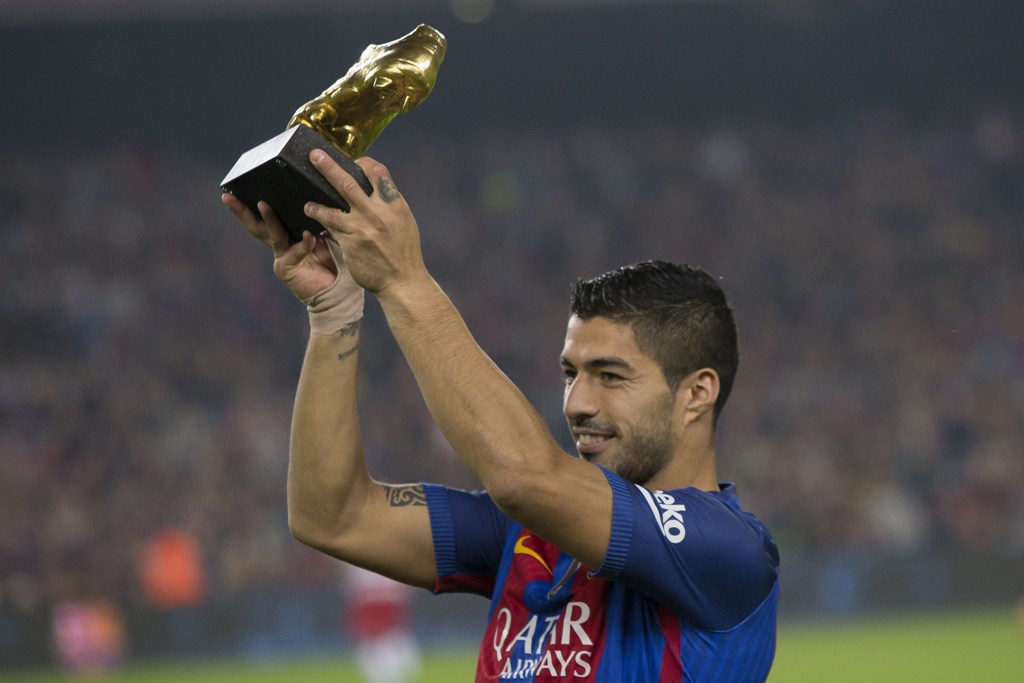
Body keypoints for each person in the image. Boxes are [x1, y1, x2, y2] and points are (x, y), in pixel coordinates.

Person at [222, 148, 779, 682]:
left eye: (611, 376)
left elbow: (523, 478)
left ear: (697, 393)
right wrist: (333, 310)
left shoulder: (724, 549)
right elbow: (332, 516)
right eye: (570, 374)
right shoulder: (527, 537)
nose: (578, 403)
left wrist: (403, 280)